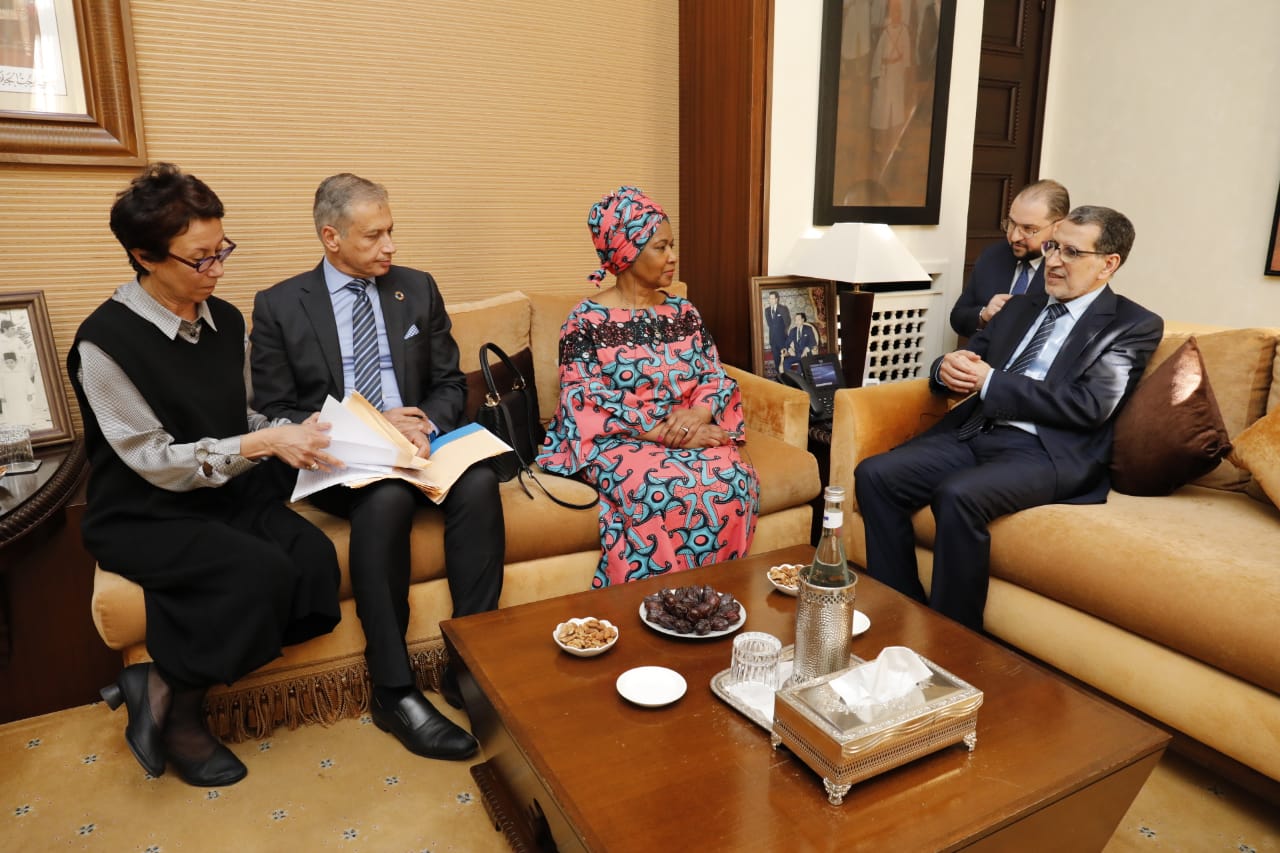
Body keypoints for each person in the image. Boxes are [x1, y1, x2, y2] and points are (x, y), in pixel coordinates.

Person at [67, 163, 342, 788]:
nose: (218, 269)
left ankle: (158, 676)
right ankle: (179, 708)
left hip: (222, 491)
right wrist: (262, 440)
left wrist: (290, 434)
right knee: (259, 572)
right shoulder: (103, 344)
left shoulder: (225, 320)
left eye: (223, 250)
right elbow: (153, 459)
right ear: (145, 256)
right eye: (201, 258)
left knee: (315, 564)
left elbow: (233, 414)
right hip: (144, 509)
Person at [250, 173, 502, 762]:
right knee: (384, 501)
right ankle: (393, 690)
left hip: (419, 447)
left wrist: (425, 425)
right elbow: (276, 411)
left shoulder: (416, 288)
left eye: (391, 231)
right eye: (374, 236)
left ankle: (472, 664)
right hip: (343, 459)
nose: (390, 247)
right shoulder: (280, 306)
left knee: (481, 483)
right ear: (330, 236)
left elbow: (446, 381)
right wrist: (367, 428)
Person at [855, 205, 1163, 631]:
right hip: (978, 431)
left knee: (958, 495)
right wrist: (945, 368)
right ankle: (900, 607)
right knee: (876, 474)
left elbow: (1091, 405)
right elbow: (970, 359)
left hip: (1047, 451)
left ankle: (953, 635)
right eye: (1053, 246)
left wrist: (991, 382)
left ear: (1108, 264)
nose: (1053, 260)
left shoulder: (1132, 324)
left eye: (1072, 252)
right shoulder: (1022, 307)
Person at [537, 186, 759, 588]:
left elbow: (713, 374)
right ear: (626, 251)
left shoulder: (683, 312)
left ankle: (714, 601)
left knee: (733, 479)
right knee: (659, 486)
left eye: (673, 245)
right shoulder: (585, 322)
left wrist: (698, 415)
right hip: (619, 441)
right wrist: (668, 436)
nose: (673, 256)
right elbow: (583, 399)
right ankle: (661, 607)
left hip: (688, 429)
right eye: (661, 247)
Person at [950, 179, 1070, 338]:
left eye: (1028, 229)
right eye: (1012, 224)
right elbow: (958, 317)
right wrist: (984, 315)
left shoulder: (1068, 269)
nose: (1013, 237)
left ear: (1058, 227)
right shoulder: (993, 256)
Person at [764, 291, 791, 379]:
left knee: (784, 356)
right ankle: (778, 375)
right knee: (776, 357)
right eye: (770, 298)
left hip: (782, 337)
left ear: (776, 299)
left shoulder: (783, 309)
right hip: (773, 338)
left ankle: (787, 374)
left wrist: (782, 331)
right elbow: (770, 324)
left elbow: (787, 321)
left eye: (772, 298)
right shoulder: (767, 310)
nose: (771, 300)